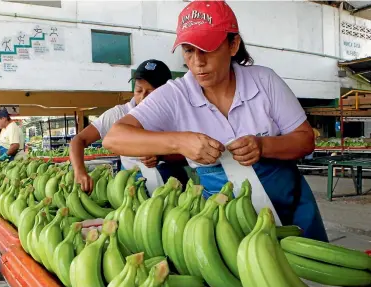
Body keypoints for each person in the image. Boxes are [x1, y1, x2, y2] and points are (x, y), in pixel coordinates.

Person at [103, 0, 327, 242]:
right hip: (227, 218)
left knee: (302, 271)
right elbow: (115, 138)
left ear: (233, 44)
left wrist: (263, 146)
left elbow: (305, 141)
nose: (198, 62)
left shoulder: (265, 81)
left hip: (289, 203)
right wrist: (179, 143)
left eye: (207, 48)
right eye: (189, 50)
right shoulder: (175, 94)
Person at [69, 59, 189, 193]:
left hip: (172, 183)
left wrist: (162, 156)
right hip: (129, 186)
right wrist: (79, 171)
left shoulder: (177, 114)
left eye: (151, 92)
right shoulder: (119, 114)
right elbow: (78, 140)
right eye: (138, 90)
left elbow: (191, 154)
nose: (143, 97)